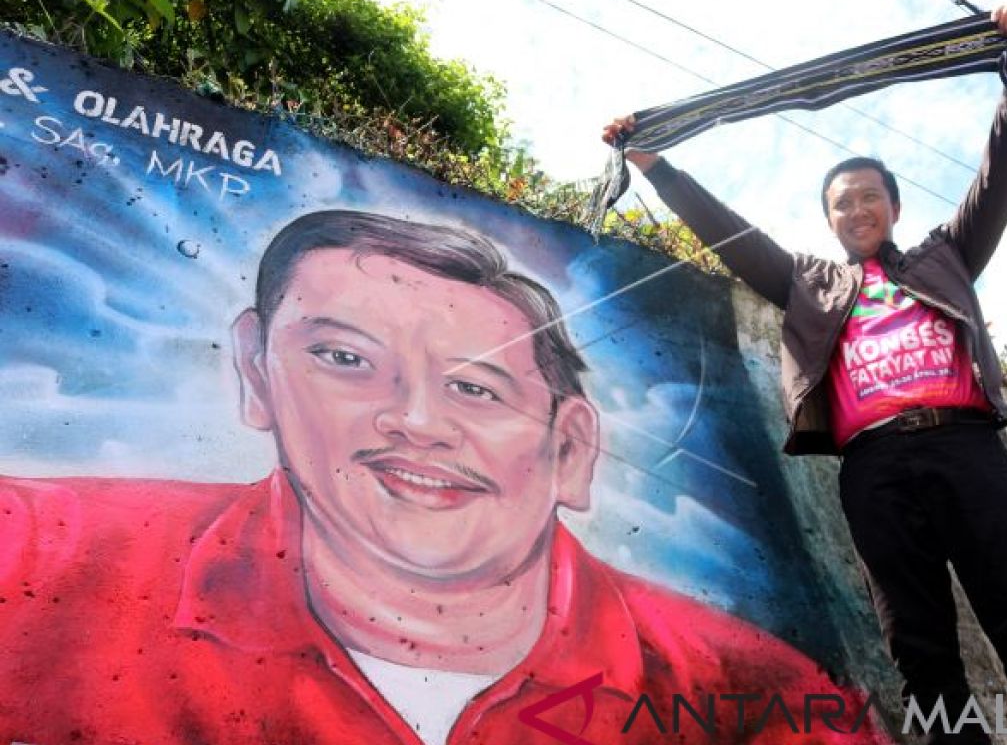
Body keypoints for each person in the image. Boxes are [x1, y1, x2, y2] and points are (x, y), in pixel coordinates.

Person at [0, 210, 889, 745]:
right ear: (256, 372)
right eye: (345, 358)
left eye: (477, 387)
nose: (416, 420)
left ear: (571, 449)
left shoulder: (754, 698)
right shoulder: (37, 553)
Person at [603, 6, 1007, 744]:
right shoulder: (807, 283)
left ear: (893, 208)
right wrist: (653, 163)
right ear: (829, 221)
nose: (857, 208)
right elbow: (729, 233)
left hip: (968, 451)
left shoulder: (946, 256)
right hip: (876, 468)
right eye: (842, 203)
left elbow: (997, 179)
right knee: (920, 647)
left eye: (870, 196)